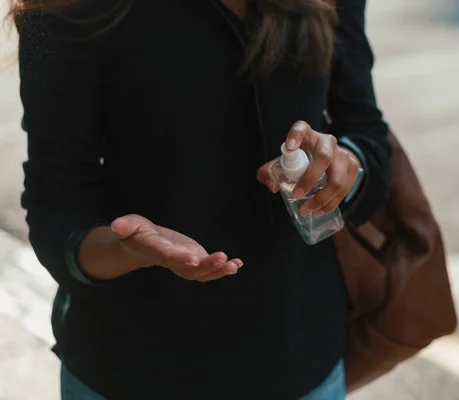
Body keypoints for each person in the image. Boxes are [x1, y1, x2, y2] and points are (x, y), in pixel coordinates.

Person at [10, 0, 390, 398]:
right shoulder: (63, 9)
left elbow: (366, 132)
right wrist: (131, 249)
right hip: (131, 369)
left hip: (302, 360)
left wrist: (346, 167)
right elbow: (56, 207)